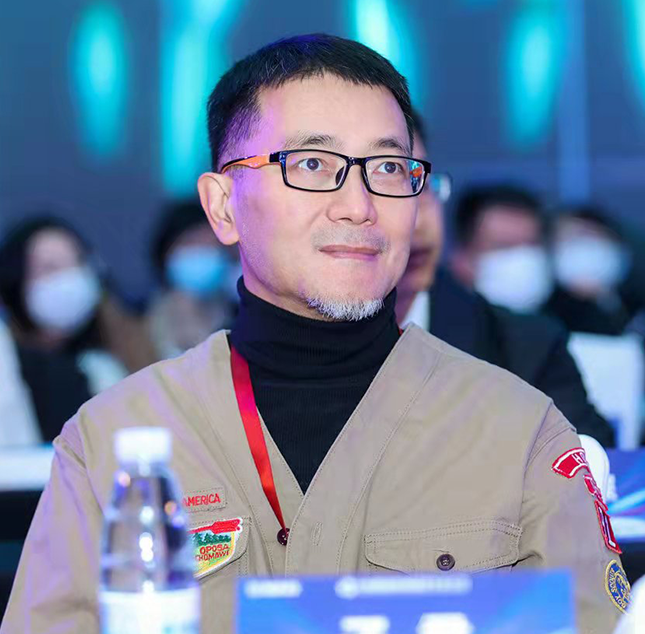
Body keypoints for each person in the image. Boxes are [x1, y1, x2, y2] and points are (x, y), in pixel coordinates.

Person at [2, 34, 626, 634]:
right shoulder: (113, 445)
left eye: (388, 166)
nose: (358, 204)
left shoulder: (519, 434)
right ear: (223, 206)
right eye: (312, 164)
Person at [397, 115, 615, 447]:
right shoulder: (313, 350)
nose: (415, 222)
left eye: (419, 184)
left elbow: (590, 462)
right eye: (384, 180)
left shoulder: (527, 348)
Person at [0, 217, 156, 442]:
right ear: (16, 284)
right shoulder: (8, 366)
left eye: (77, 262)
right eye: (50, 268)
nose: (68, 278)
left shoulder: (115, 359)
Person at [147, 200, 238, 360]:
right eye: (191, 243)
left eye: (210, 244)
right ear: (166, 254)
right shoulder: (138, 328)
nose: (201, 253)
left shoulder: (242, 314)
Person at [449, 183, 554, 313]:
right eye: (504, 247)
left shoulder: (567, 319)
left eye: (531, 245)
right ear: (462, 258)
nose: (521, 259)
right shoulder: (437, 320)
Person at [545, 206, 634, 335]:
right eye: (572, 238)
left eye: (591, 235)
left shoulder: (631, 308)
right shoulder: (541, 308)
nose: (583, 248)